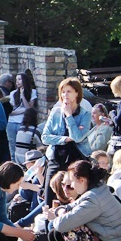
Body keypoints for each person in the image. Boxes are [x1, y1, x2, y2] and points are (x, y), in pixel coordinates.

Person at [42, 78, 93, 206]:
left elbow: (77, 138)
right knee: (50, 196)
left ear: (77, 93)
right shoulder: (55, 112)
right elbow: (45, 137)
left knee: (74, 198)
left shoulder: (85, 114)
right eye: (63, 92)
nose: (65, 95)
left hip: (75, 159)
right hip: (56, 156)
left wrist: (69, 116)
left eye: (68, 91)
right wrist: (65, 139)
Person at [7, 73, 38, 161]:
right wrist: (22, 110)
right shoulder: (13, 93)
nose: (17, 82)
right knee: (12, 145)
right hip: (11, 122)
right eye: (16, 80)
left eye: (20, 79)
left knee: (23, 145)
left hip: (23, 122)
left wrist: (23, 95)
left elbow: (28, 108)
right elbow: (11, 112)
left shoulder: (32, 92)